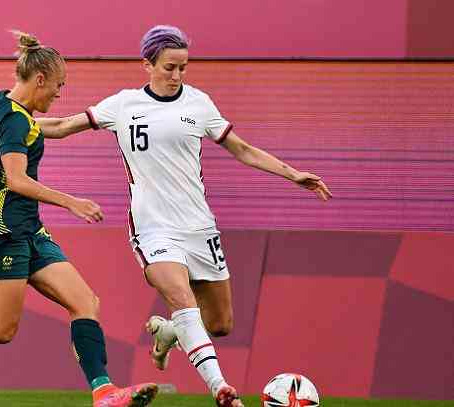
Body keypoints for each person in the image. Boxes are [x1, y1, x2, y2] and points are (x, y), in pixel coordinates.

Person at [37, 25, 333, 407]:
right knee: (179, 295)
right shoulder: (123, 105)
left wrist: (293, 174)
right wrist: (4, 126)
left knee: (220, 323)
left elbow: (241, 149)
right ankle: (220, 388)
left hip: (199, 227)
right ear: (147, 64)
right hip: (153, 227)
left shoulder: (198, 103)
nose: (177, 75)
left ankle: (169, 334)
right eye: (169, 67)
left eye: (183, 67)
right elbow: (61, 126)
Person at [0, 31, 158, 407]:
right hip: (1, 231)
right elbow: (17, 181)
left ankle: (104, 393)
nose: (58, 93)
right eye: (58, 85)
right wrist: (72, 202)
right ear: (40, 79)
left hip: (29, 229)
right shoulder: (17, 124)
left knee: (85, 302)